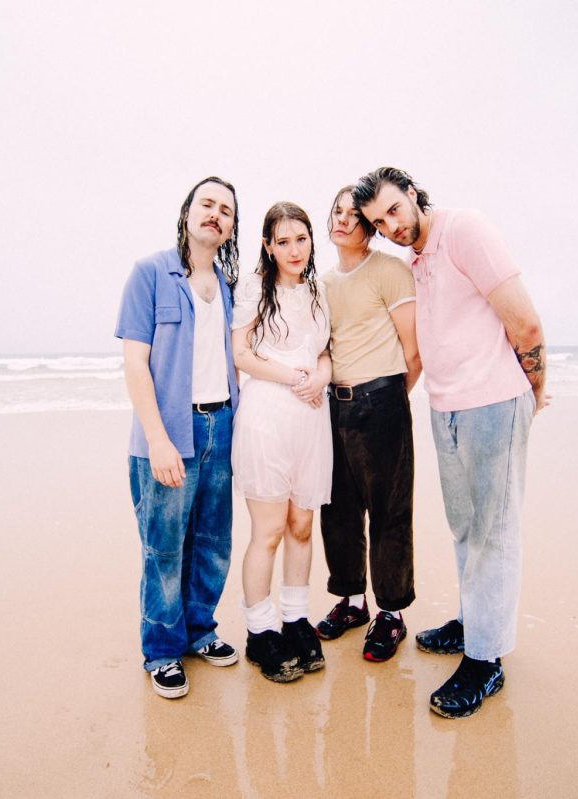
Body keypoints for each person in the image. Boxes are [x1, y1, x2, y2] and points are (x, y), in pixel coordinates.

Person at [353, 167, 547, 719]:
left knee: (494, 532)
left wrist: (531, 395)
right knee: (465, 527)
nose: (389, 226)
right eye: (377, 222)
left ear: (412, 194)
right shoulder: (418, 259)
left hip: (493, 405)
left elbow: (525, 324)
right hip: (447, 410)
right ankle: (472, 620)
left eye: (393, 210)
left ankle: (486, 662)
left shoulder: (466, 230)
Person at [114, 176, 243, 700]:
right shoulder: (150, 273)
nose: (216, 214)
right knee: (164, 549)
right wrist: (159, 438)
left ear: (232, 227)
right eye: (207, 204)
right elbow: (134, 363)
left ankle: (200, 631)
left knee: (213, 544)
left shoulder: (229, 287)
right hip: (168, 433)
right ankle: (163, 650)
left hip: (222, 425)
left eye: (226, 210)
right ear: (188, 212)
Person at [316, 185, 422, 662]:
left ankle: (391, 614)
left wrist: (388, 402)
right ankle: (352, 602)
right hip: (331, 407)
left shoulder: (389, 271)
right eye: (336, 212)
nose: (342, 221)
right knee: (337, 511)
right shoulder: (322, 281)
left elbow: (413, 352)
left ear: (369, 227)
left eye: (352, 215)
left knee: (389, 513)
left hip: (381, 403)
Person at [231, 201, 333, 683]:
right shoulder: (255, 288)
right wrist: (294, 376)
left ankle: (296, 621)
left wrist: (321, 377)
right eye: (283, 241)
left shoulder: (318, 291)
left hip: (311, 419)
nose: (294, 249)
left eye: (302, 238)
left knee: (301, 525)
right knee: (268, 530)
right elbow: (242, 355)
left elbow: (326, 353)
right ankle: (260, 630)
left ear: (311, 240)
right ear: (268, 247)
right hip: (267, 416)